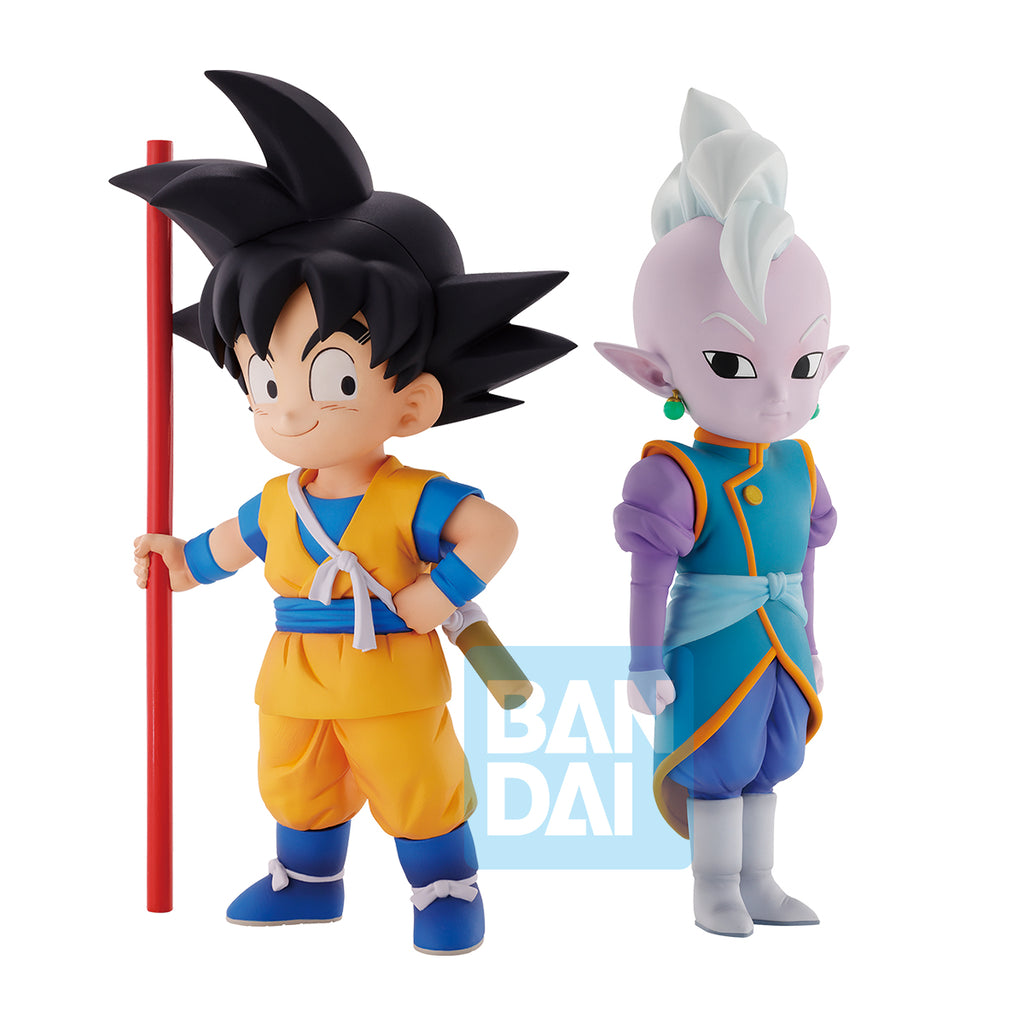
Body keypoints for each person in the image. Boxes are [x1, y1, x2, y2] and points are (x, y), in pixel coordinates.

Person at [114, 70, 573, 955]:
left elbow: (494, 531)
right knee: (296, 778)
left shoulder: (410, 495)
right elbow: (220, 551)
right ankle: (308, 882)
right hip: (295, 674)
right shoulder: (276, 501)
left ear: (414, 401)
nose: (288, 408)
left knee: (415, 780)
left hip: (391, 671)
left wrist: (436, 595)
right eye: (263, 377)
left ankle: (444, 886)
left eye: (333, 378)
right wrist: (173, 561)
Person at [596, 89, 847, 937]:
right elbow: (649, 576)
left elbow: (805, 561)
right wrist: (642, 662)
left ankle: (761, 880)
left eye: (803, 364)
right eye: (735, 364)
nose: (779, 395)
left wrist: (811, 637)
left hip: (781, 641)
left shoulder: (800, 464)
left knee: (773, 755)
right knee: (719, 758)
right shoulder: (674, 475)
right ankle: (714, 887)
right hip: (710, 642)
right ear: (655, 372)